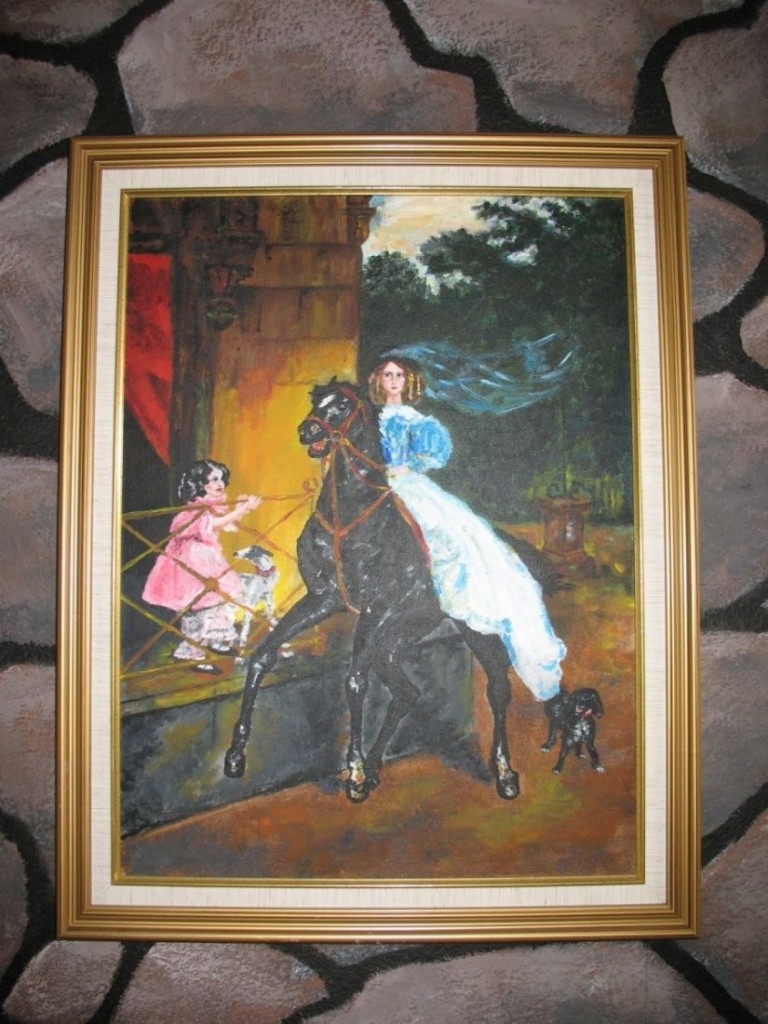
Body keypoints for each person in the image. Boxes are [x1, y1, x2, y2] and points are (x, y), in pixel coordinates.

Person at [368, 357, 566, 701]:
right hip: (374, 487)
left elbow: (434, 455)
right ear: (379, 381)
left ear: (408, 381)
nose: (394, 380)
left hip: (408, 485)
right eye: (388, 375)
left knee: (446, 535)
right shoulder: (371, 420)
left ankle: (437, 593)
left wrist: (409, 467)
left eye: (399, 375)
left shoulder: (415, 420)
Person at [142, 459, 261, 672]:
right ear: (199, 483)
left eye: (222, 479)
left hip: (208, 561)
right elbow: (215, 524)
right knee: (198, 607)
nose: (220, 483)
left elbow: (229, 526)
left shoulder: (212, 507)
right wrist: (243, 508)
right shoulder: (193, 510)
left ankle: (215, 642)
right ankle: (195, 654)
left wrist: (240, 509)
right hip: (190, 565)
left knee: (215, 602)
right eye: (214, 479)